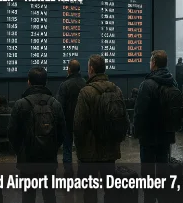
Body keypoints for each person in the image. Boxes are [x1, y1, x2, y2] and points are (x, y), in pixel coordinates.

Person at [74, 54, 129, 203]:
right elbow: (124, 120)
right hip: (110, 149)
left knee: (90, 192)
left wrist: (79, 149)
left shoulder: (86, 92)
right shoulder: (116, 90)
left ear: (91, 69)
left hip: (90, 152)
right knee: (110, 190)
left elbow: (79, 125)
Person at [8, 67, 65, 203]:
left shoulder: (21, 104)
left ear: (29, 82)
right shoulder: (55, 104)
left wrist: (20, 151)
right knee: (50, 196)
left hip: (27, 159)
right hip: (48, 159)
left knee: (28, 197)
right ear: (46, 82)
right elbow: (62, 132)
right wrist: (51, 148)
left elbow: (12, 133)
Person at [134, 50, 177, 203]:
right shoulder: (173, 82)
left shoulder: (147, 84)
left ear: (153, 63)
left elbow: (140, 112)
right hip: (166, 134)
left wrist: (136, 132)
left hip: (149, 136)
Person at [56, 59, 86, 178]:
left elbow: (59, 106)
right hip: (82, 122)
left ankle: (68, 175)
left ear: (68, 70)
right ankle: (82, 176)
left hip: (67, 122)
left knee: (67, 149)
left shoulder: (65, 85)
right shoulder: (85, 83)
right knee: (82, 149)